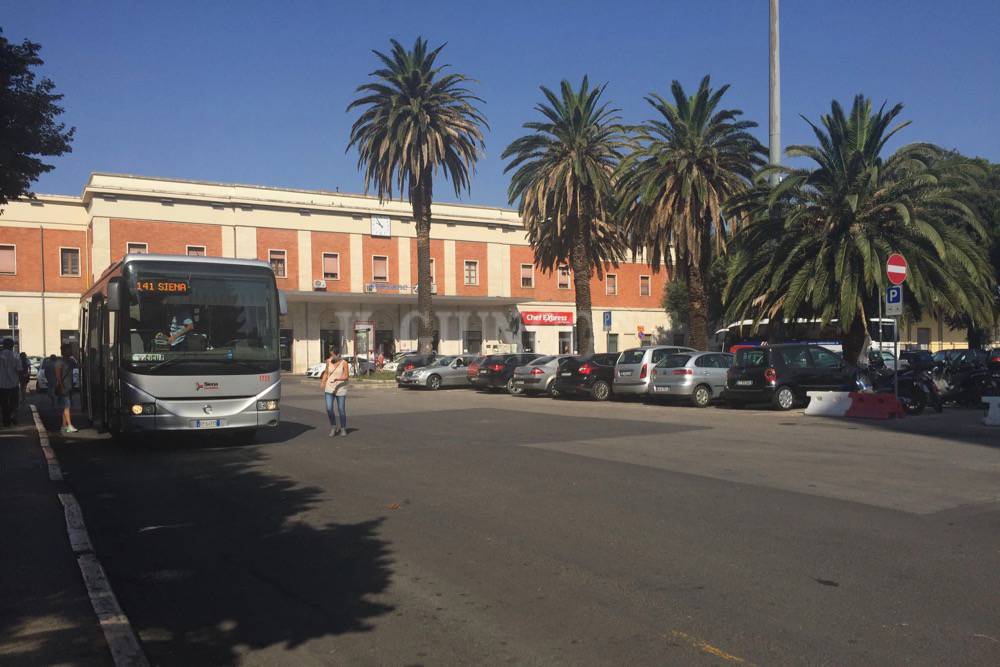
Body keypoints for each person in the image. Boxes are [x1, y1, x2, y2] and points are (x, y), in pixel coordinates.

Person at [319, 348, 349, 437]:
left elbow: (346, 376)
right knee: (329, 408)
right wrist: (323, 382)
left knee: (341, 410)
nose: (331, 356)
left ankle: (343, 428)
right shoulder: (328, 361)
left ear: (338, 354)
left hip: (341, 388)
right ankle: (333, 426)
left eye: (333, 355)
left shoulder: (344, 363)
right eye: (331, 354)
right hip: (329, 387)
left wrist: (338, 379)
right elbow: (326, 373)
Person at [54, 344, 77, 434]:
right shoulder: (59, 363)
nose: (70, 351)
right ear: (63, 351)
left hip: (69, 387)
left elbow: (79, 365)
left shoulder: (71, 361)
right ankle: (69, 425)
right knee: (67, 406)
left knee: (66, 407)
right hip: (63, 388)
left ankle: (63, 426)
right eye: (69, 350)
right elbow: (58, 376)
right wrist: (61, 386)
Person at [0, 339, 20, 426]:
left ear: (3, 345)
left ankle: (6, 421)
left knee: (3, 403)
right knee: (14, 402)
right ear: (12, 346)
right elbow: (19, 370)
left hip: (1, 384)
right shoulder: (16, 356)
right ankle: (12, 415)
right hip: (14, 384)